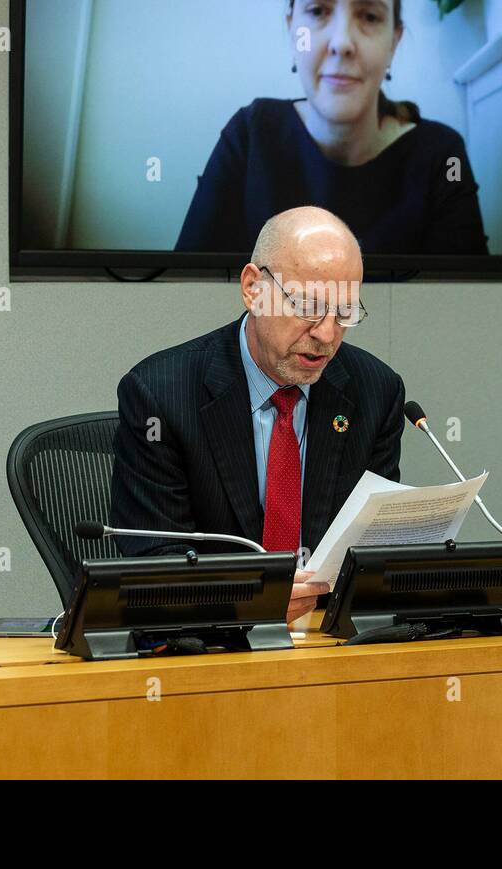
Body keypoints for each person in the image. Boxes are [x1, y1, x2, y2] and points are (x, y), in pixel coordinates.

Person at [111, 206, 405, 624]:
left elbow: (374, 548)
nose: (326, 334)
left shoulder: (375, 391)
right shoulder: (160, 395)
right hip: (211, 641)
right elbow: (156, 563)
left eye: (344, 313)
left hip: (328, 640)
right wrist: (254, 599)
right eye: (307, 306)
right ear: (253, 288)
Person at [175, 0, 489, 257]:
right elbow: (187, 291)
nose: (341, 41)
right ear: (293, 29)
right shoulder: (250, 135)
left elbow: (468, 308)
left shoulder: (440, 157)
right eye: (319, 11)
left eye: (369, 16)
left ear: (393, 44)